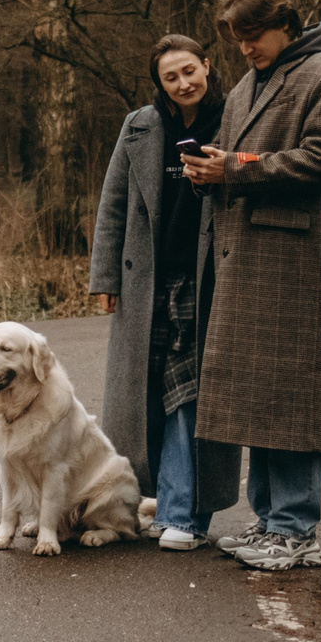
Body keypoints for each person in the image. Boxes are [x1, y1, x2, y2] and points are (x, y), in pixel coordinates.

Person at [179, 0, 321, 572]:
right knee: (257, 394)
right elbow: (233, 156)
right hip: (244, 256)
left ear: (284, 24)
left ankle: (296, 527)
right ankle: (269, 520)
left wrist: (238, 168)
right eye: (238, 41)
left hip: (295, 262)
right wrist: (211, 170)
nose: (246, 50)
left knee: (293, 391)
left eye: (253, 38)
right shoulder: (251, 84)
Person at [87, 35, 241, 552]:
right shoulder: (140, 125)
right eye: (170, 78)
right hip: (146, 282)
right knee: (148, 396)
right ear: (159, 84)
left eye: (189, 71)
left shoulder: (235, 118)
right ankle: (157, 499)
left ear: (207, 65)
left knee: (190, 398)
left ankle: (185, 515)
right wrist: (104, 279)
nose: (183, 84)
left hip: (209, 282)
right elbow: (113, 207)